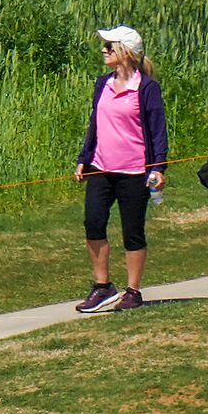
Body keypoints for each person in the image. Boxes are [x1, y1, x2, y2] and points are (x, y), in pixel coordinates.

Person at [73, 28, 167, 315]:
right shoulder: (103, 84)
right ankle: (103, 286)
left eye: (108, 45)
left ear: (124, 51)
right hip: (101, 168)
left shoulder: (146, 88)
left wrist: (159, 167)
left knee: (132, 232)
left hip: (134, 172)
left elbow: (157, 131)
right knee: (93, 222)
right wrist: (83, 158)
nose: (103, 50)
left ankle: (133, 291)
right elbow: (95, 125)